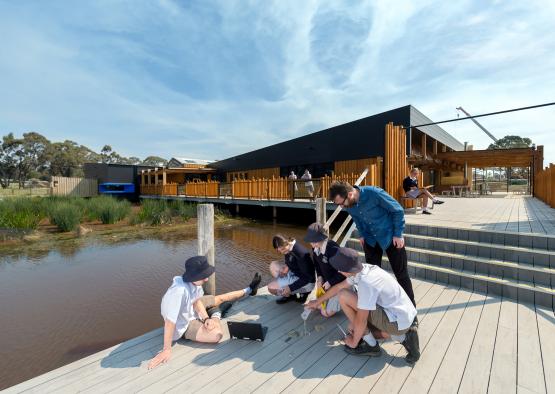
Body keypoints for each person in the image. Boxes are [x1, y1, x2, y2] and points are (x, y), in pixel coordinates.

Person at [306, 247, 420, 364]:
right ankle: (404, 336)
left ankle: (372, 346)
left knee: (343, 297)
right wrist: (317, 302)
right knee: (353, 327)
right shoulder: (364, 269)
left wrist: (353, 342)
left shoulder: (366, 282)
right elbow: (338, 286)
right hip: (403, 316)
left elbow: (361, 320)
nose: (339, 271)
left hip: (397, 322)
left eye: (339, 269)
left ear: (347, 270)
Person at [147, 256, 262, 370]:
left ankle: (250, 289)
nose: (207, 279)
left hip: (192, 309)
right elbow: (169, 322)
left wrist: (206, 319)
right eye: (203, 276)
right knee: (217, 335)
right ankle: (217, 313)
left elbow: (196, 302)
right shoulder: (178, 292)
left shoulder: (194, 283)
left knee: (221, 298)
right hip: (184, 325)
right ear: (194, 276)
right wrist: (166, 349)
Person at [328, 181, 416, 307]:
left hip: (390, 237)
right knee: (371, 277)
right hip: (370, 240)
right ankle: (378, 308)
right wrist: (362, 234)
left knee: (401, 275)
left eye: (342, 203)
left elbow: (397, 210)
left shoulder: (374, 193)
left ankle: (411, 312)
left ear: (351, 194)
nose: (341, 207)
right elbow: (357, 219)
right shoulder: (350, 204)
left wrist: (398, 234)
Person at [303, 222, 345, 317]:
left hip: (340, 284)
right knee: (319, 306)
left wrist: (330, 282)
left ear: (322, 238)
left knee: (325, 313)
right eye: (311, 242)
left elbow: (343, 273)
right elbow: (317, 265)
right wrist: (320, 277)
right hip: (327, 284)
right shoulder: (315, 248)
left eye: (314, 242)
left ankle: (345, 300)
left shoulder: (333, 249)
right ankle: (327, 300)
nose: (312, 245)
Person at [268, 234, 315, 304]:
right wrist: (286, 268)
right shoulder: (288, 247)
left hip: (307, 282)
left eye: (282, 249)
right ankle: (290, 294)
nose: (281, 252)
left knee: (271, 288)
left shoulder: (301, 253)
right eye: (279, 250)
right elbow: (291, 260)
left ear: (286, 243)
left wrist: (290, 288)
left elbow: (308, 278)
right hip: (295, 272)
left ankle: (294, 293)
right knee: (273, 265)